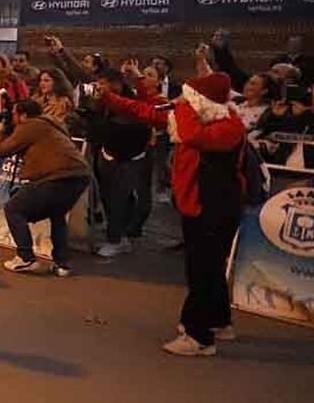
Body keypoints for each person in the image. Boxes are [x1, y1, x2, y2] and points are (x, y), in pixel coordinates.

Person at [96, 72, 247, 355]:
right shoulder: (196, 118)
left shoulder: (229, 126)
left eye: (190, 98)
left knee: (202, 270)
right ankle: (219, 322)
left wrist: (183, 106)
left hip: (214, 207)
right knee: (210, 268)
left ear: (199, 101)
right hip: (196, 204)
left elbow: (192, 136)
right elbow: (145, 111)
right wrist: (109, 98)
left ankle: (198, 337)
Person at [0, 98, 92, 277]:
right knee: (57, 214)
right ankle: (62, 264)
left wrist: (2, 127)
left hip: (56, 176)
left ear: (23, 115)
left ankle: (26, 258)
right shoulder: (53, 124)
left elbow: (1, 150)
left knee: (14, 209)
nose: (11, 117)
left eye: (13, 114)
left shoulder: (29, 125)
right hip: (79, 176)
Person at [82, 69, 154, 258]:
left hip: (128, 156)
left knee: (119, 198)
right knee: (108, 197)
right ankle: (117, 232)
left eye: (103, 83)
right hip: (108, 152)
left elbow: (133, 128)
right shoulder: (101, 102)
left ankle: (118, 238)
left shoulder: (131, 104)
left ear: (116, 84)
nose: (99, 87)